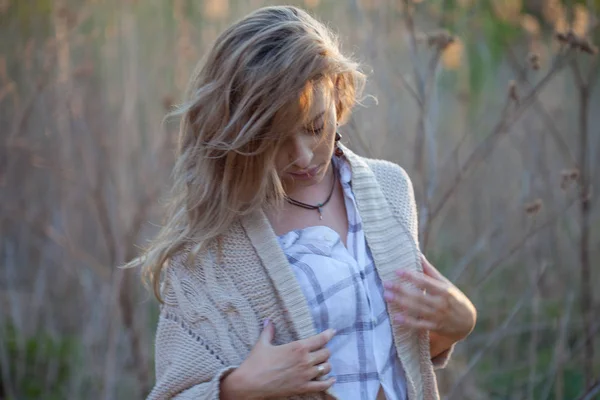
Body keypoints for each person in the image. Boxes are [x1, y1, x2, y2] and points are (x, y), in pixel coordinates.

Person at [134, 5, 477, 400]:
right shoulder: (210, 244)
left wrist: (459, 322)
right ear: (239, 131)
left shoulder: (389, 188)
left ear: (338, 94)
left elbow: (387, 348)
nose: (302, 156)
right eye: (276, 138)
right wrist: (241, 386)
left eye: (316, 127)